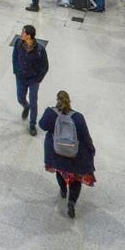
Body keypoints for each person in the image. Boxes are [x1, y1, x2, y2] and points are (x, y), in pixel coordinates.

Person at [38, 91, 96, 219]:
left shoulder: (50, 114)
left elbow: (41, 125)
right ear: (69, 101)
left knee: (60, 172)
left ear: (57, 100)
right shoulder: (78, 117)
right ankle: (71, 202)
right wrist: (92, 151)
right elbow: (86, 138)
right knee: (75, 180)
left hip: (56, 155)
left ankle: (63, 190)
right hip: (74, 158)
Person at [12, 24, 49, 136]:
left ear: (29, 36)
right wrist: (16, 71)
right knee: (20, 98)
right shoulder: (18, 43)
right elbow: (14, 57)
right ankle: (25, 106)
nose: (21, 34)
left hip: (33, 80)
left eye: (23, 32)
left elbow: (45, 66)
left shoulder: (40, 49)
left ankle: (32, 124)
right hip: (20, 77)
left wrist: (38, 79)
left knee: (34, 103)